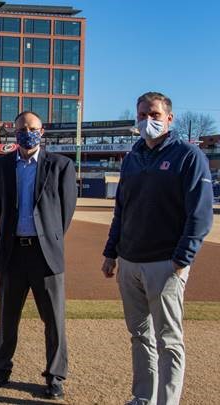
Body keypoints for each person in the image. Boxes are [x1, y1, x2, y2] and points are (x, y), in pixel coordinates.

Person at [101, 92, 214, 405]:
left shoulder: (188, 156)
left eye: (153, 114)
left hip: (165, 263)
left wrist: (181, 259)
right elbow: (122, 210)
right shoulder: (133, 157)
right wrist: (111, 252)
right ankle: (142, 397)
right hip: (130, 261)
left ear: (169, 118)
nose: (146, 121)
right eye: (141, 115)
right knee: (140, 336)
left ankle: (167, 401)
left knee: (168, 341)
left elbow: (200, 215)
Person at [0, 111, 77, 400]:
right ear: (14, 131)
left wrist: (47, 237)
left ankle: (55, 377)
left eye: (33, 128)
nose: (28, 132)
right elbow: (0, 208)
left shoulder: (61, 165)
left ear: (42, 131)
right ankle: (0, 371)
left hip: (45, 254)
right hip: (12, 252)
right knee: (7, 318)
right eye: (22, 128)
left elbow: (66, 211)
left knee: (53, 321)